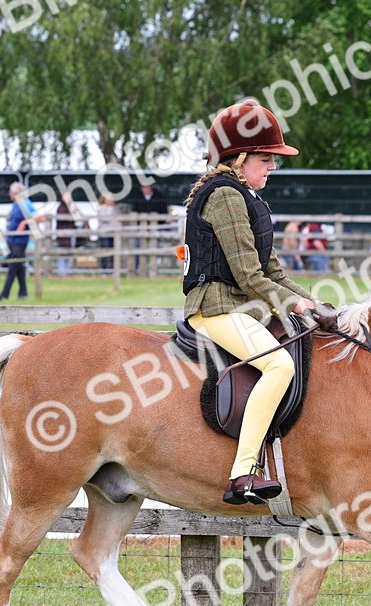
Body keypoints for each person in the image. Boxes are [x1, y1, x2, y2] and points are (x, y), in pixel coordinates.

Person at [183, 99, 336, 505]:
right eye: (266, 159)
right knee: (278, 363)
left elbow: (276, 274)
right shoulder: (225, 197)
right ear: (240, 157)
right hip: (215, 308)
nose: (271, 167)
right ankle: (243, 472)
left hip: (241, 307)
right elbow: (250, 276)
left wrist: (314, 303)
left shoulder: (251, 198)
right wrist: (294, 307)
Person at [0, 182, 44, 301]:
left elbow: (40, 218)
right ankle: (23, 293)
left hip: (20, 242)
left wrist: (24, 223)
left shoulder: (25, 203)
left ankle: (4, 295)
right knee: (19, 268)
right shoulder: (15, 204)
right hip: (12, 240)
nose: (9, 194)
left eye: (11, 192)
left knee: (13, 266)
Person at [131, 181, 168, 274]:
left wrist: (161, 222)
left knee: (155, 245)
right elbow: (134, 211)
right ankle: (139, 268)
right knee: (139, 247)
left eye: (147, 187)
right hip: (141, 227)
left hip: (155, 227)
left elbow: (163, 211)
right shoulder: (138, 197)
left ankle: (155, 268)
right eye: (144, 187)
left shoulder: (158, 196)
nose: (146, 189)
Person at [53, 192, 80, 276]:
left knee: (69, 254)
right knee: (62, 253)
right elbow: (67, 219)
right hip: (62, 235)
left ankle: (67, 272)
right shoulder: (61, 208)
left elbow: (77, 218)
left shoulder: (72, 207)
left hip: (70, 234)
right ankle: (62, 272)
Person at [97, 193, 118, 271]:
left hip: (113, 233)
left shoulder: (114, 208)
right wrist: (111, 208)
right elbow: (106, 219)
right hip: (104, 233)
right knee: (105, 252)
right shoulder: (102, 208)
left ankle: (112, 269)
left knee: (113, 252)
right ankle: (104, 270)